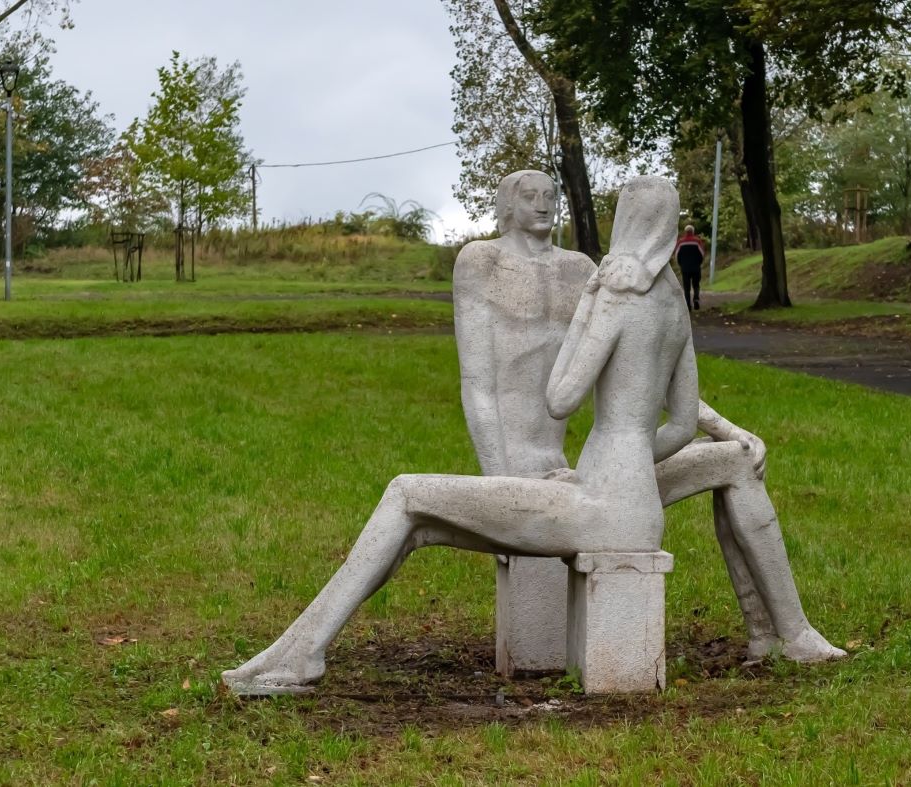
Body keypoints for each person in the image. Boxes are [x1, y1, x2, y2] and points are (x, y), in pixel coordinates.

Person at [221, 177, 700, 695]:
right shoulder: (674, 305)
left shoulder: (611, 300)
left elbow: (561, 398)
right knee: (419, 525)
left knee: (407, 492)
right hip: (637, 513)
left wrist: (587, 306)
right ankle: (301, 649)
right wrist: (622, 465)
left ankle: (301, 652)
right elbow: (682, 424)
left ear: (627, 219)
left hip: (597, 509)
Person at [454, 171, 844, 671]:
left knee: (735, 461)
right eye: (530, 196)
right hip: (557, 473)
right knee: (732, 461)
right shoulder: (485, 263)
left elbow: (604, 388)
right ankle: (786, 633)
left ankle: (778, 634)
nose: (543, 204)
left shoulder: (591, 277)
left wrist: (729, 432)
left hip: (596, 476)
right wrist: (499, 485)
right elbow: (480, 386)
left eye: (550, 195)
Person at [674, 224, 705, 310]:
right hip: (696, 267)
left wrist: (680, 264)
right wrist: (699, 262)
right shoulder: (697, 241)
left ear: (685, 232)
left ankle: (688, 304)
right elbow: (702, 253)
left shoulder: (680, 242)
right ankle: (696, 299)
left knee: (686, 287)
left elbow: (676, 255)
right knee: (696, 284)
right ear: (693, 231)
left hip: (685, 268)